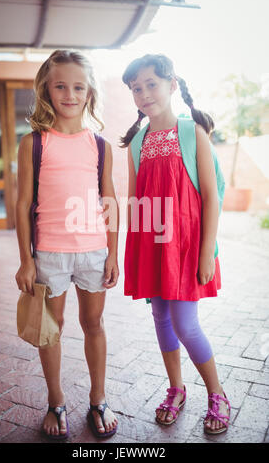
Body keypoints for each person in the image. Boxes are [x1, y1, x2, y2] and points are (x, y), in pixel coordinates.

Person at [121, 54, 231, 435]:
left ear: (171, 85)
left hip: (186, 248)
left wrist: (206, 252)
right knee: (161, 319)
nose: (144, 93)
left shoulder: (192, 131)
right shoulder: (137, 141)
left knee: (186, 324)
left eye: (151, 84)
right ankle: (176, 389)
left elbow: (213, 196)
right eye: (137, 88)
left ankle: (217, 393)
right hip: (153, 247)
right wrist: (134, 255)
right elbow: (136, 201)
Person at [15, 50, 119, 440]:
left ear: (89, 92)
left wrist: (113, 252)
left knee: (94, 324)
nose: (70, 94)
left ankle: (98, 399)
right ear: (47, 88)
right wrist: (26, 260)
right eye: (61, 86)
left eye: (78, 86)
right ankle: (55, 401)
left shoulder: (101, 145)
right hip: (50, 254)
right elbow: (23, 203)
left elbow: (109, 200)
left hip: (94, 251)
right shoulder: (34, 143)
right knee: (51, 329)